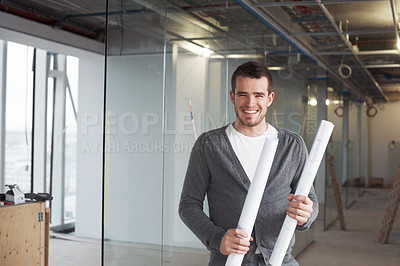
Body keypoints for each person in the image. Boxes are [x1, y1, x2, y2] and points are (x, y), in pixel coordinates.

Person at [179, 61, 318, 266]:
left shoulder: (292, 145)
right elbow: (188, 205)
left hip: (281, 260)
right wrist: (217, 239)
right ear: (232, 97)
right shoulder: (209, 145)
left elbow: (310, 200)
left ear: (269, 98)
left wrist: (307, 214)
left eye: (259, 95)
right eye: (243, 94)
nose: (250, 103)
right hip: (228, 261)